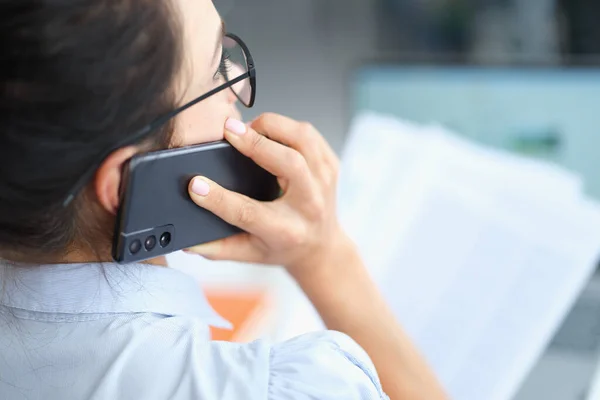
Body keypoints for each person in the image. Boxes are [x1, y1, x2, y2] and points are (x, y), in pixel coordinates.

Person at [0, 1, 447, 399]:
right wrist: (323, 256)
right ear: (121, 182)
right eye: (216, 69)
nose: (234, 81)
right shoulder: (305, 386)